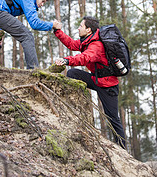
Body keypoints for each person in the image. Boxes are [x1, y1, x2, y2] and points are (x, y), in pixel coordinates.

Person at [54, 16, 126, 148]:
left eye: (81, 26)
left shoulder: (96, 45)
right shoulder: (87, 41)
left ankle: (122, 148)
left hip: (108, 86)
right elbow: (71, 44)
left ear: (88, 30)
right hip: (96, 80)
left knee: (113, 118)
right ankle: (76, 102)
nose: (78, 28)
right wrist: (58, 31)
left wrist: (67, 60)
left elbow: (85, 57)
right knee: (72, 73)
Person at [0, 0, 59, 69]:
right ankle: (34, 71)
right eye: (42, 1)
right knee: (27, 36)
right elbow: (35, 23)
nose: (42, 4)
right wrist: (52, 25)